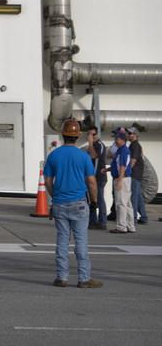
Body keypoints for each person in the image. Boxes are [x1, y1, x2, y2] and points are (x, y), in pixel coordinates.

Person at [43, 118, 102, 288]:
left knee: (62, 240)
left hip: (60, 204)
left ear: (62, 135)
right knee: (81, 241)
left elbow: (48, 180)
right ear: (77, 136)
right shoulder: (83, 156)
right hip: (79, 204)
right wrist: (95, 201)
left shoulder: (54, 155)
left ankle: (62, 277)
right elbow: (91, 182)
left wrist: (55, 195)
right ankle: (84, 278)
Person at [110, 127, 135, 233]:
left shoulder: (123, 150)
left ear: (122, 140)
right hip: (125, 178)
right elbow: (119, 165)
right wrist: (107, 169)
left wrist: (119, 180)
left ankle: (121, 226)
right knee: (127, 203)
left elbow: (122, 166)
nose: (116, 140)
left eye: (117, 138)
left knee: (121, 203)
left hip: (122, 179)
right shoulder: (122, 150)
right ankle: (130, 226)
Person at [84, 126, 108, 230]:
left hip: (99, 177)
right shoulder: (92, 145)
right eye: (89, 134)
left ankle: (102, 222)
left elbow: (94, 156)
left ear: (97, 135)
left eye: (93, 134)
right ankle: (92, 221)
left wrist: (90, 143)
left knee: (99, 199)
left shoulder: (99, 145)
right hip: (92, 177)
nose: (91, 136)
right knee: (91, 199)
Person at [127, 127, 148, 225]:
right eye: (128, 133)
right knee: (138, 196)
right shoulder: (134, 145)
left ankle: (133, 218)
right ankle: (143, 217)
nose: (128, 134)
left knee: (133, 197)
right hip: (137, 174)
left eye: (130, 133)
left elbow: (133, 160)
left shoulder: (134, 145)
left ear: (135, 135)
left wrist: (127, 172)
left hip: (134, 174)